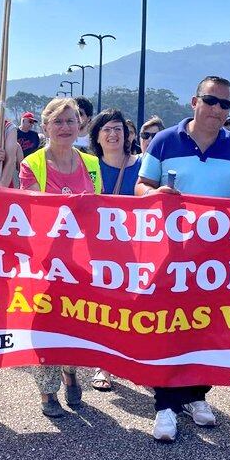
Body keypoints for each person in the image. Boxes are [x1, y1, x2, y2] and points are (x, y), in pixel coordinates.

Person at [135, 75, 230, 442]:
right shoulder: (164, 140)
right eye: (211, 100)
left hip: (216, 258)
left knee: (206, 327)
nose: (218, 109)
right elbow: (141, 186)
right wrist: (157, 195)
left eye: (226, 104)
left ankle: (197, 395)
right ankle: (165, 405)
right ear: (194, 101)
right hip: (170, 253)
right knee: (168, 326)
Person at [20, 97, 102, 417]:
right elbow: (30, 213)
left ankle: (70, 372)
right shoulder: (32, 164)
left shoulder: (91, 164)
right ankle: (47, 390)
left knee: (74, 322)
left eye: (71, 121)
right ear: (46, 127)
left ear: (79, 125)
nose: (65, 127)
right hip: (45, 261)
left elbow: (100, 212)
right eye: (58, 121)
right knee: (43, 324)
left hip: (80, 261)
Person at [88, 108, 140, 392]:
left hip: (136, 250)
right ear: (96, 135)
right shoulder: (87, 165)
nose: (113, 134)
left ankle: (134, 361)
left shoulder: (141, 166)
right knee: (103, 307)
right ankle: (104, 365)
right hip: (97, 249)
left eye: (118, 128)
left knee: (132, 306)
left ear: (127, 133)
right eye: (106, 129)